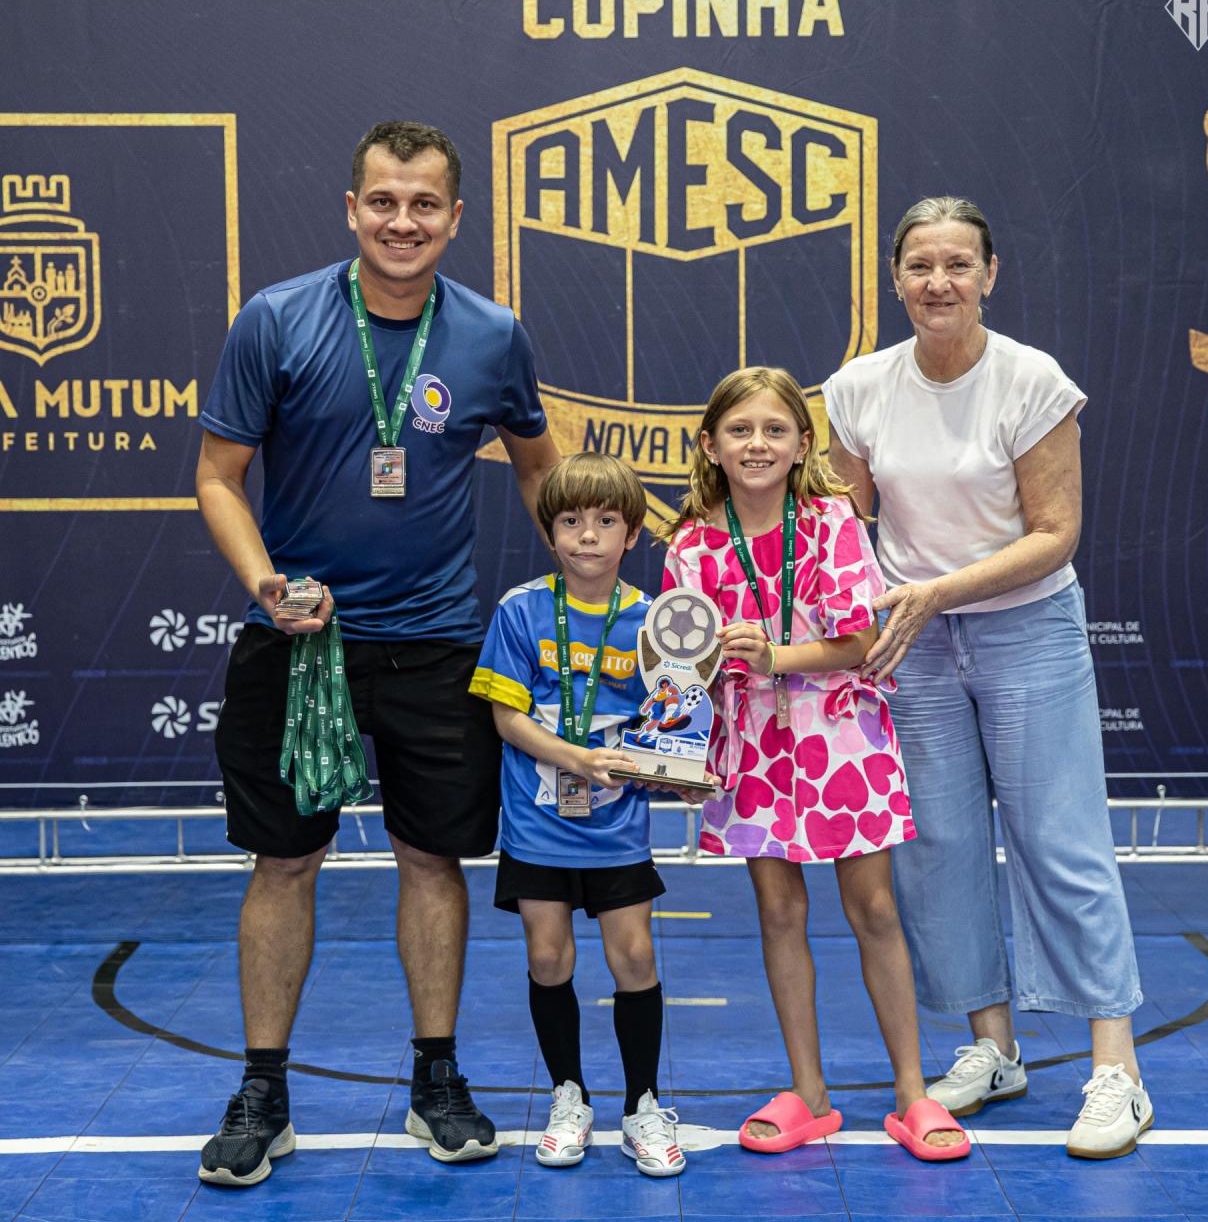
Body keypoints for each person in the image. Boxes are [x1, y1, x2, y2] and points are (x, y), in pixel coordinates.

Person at [193, 120, 561, 1186]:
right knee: (284, 861)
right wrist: (265, 584)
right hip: (297, 642)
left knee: (431, 859)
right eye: (385, 202)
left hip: (436, 645)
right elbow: (218, 475)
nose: (404, 222)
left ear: (456, 216)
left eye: (425, 204)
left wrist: (585, 589)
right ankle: (264, 1088)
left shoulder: (492, 333)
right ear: (352, 208)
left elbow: (542, 468)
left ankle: (435, 1078)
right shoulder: (276, 319)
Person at [822, 196, 1153, 1160]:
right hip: (912, 644)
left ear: (990, 275)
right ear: (895, 278)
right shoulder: (856, 388)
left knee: (1061, 841)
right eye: (921, 266)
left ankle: (1117, 1071)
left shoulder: (1031, 380)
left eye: (958, 264)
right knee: (942, 847)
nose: (939, 283)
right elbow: (844, 527)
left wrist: (935, 591)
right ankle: (993, 1049)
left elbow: (1055, 535)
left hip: (1026, 629)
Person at [659, 368, 969, 1161]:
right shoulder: (691, 545)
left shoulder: (832, 522)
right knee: (778, 912)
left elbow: (862, 641)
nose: (757, 444)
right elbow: (680, 664)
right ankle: (810, 1091)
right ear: (710, 446)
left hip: (842, 743)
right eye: (740, 431)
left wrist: (773, 656)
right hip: (752, 750)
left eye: (775, 430)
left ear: (804, 444)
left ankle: (913, 1092)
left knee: (874, 910)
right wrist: (675, 720)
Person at [469, 452, 685, 1178]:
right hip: (538, 825)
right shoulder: (520, 610)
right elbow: (506, 717)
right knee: (547, 956)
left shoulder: (654, 621)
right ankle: (570, 1096)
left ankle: (643, 1105)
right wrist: (575, 757)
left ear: (632, 534)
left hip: (617, 827)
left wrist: (680, 774)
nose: (587, 535)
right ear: (550, 530)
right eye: (570, 520)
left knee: (635, 958)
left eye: (605, 520)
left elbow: (668, 726)